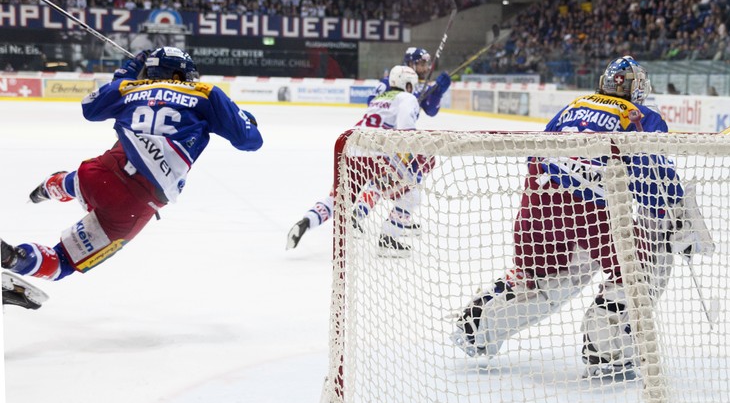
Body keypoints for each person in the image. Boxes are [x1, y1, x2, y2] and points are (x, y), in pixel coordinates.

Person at [452, 56, 715, 379]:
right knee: (642, 264)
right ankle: (608, 346)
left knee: (545, 277)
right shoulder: (639, 115)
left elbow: (538, 150)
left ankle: (479, 324)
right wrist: (674, 218)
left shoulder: (573, 106)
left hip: (537, 198)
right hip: (592, 209)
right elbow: (653, 178)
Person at [1, 47, 263, 291]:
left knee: (88, 177)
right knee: (63, 263)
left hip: (99, 172)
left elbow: (89, 108)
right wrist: (245, 118)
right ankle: (15, 259)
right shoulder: (206, 93)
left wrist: (128, 71)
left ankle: (51, 186)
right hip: (134, 204)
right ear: (178, 73)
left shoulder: (130, 88)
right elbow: (250, 141)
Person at [285, 47, 451, 251]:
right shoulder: (406, 98)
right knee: (412, 193)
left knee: (338, 199)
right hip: (377, 155)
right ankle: (388, 238)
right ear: (407, 83)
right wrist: (417, 158)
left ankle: (307, 221)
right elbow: (405, 134)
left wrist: (435, 93)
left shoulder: (383, 97)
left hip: (352, 150)